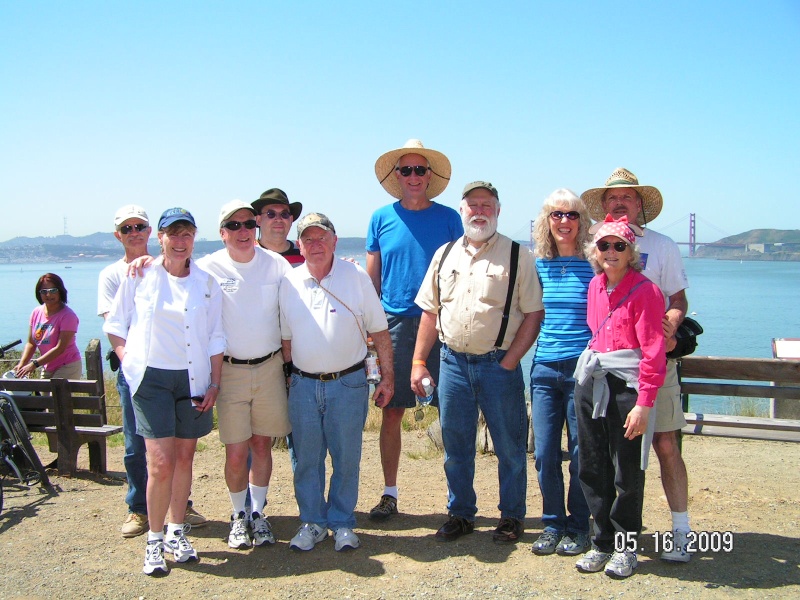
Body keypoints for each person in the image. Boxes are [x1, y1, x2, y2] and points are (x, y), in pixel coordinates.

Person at [412, 182, 544, 543]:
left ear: (498, 211)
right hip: (452, 364)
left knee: (510, 448)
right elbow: (430, 312)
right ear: (462, 211)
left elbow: (534, 314)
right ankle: (460, 514)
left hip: (498, 366)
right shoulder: (444, 255)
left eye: (487, 205)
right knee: (456, 448)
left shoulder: (518, 256)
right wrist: (419, 361)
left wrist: (510, 361)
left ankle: (511, 516)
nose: (480, 211)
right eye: (473, 205)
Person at [104, 207, 224, 576]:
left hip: (193, 379)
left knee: (185, 460)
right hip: (151, 380)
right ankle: (154, 541)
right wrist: (128, 362)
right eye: (173, 233)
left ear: (194, 237)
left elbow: (216, 336)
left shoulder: (207, 282)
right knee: (159, 463)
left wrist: (215, 383)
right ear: (161, 238)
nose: (180, 240)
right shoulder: (140, 275)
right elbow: (115, 324)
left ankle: (176, 531)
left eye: (187, 233)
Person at [581, 167, 693, 563]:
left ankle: (680, 532)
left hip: (650, 364)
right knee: (599, 460)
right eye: (612, 198)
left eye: (627, 196)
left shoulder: (662, 247)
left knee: (663, 445)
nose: (619, 203)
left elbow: (677, 299)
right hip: (604, 373)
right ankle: (605, 542)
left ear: (640, 204)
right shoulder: (598, 259)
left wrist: (669, 324)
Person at [279, 213, 394, 552]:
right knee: (306, 459)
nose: (315, 244)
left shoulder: (355, 276)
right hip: (303, 385)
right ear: (299, 246)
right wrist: (289, 380)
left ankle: (342, 522)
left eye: (322, 237)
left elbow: (380, 331)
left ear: (334, 241)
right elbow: (286, 340)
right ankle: (312, 522)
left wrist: (387, 378)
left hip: (348, 383)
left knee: (346, 459)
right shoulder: (289, 282)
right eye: (308, 239)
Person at [366, 139, 463, 521]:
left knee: (451, 411)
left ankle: (458, 500)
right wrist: (369, 330)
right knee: (392, 411)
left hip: (441, 322)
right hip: (394, 324)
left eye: (419, 169)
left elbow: (461, 271)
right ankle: (389, 493)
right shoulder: (380, 218)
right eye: (405, 170)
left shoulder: (449, 219)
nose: (413, 176)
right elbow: (372, 282)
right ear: (397, 176)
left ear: (429, 175)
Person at [573, 214, 666, 578]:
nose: (610, 251)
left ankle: (626, 547)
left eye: (619, 246)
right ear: (595, 251)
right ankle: (601, 542)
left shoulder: (646, 291)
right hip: (593, 380)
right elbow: (594, 333)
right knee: (592, 465)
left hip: (627, 386)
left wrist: (644, 404)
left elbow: (653, 352)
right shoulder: (595, 286)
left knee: (626, 470)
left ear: (631, 252)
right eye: (604, 245)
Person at [196, 200, 291, 549]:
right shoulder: (206, 268)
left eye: (249, 224)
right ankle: (238, 515)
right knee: (236, 452)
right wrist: (144, 262)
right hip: (230, 371)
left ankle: (258, 514)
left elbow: (303, 293)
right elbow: (173, 275)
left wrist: (346, 269)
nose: (243, 231)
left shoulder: (276, 264)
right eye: (234, 226)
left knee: (262, 445)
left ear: (257, 227)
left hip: (269, 368)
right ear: (222, 233)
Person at [529, 189, 594, 556]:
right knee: (544, 453)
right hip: (543, 368)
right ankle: (552, 524)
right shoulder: (537, 265)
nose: (564, 221)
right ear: (547, 221)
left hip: (583, 370)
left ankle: (579, 525)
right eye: (557, 214)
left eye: (572, 214)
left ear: (582, 221)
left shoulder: (595, 263)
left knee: (582, 452)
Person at [15, 273, 82, 380]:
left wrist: (34, 364)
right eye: (44, 291)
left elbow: (60, 348)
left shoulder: (68, 316)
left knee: (56, 391)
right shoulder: (36, 312)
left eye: (53, 290)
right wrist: (22, 364)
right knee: (42, 392)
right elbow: (31, 343)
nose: (48, 295)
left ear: (60, 291)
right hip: (47, 366)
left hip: (67, 365)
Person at [253, 188, 304, 266]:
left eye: (284, 214)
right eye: (271, 214)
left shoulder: (305, 253)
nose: (279, 219)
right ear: (258, 220)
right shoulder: (247, 253)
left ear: (291, 219)